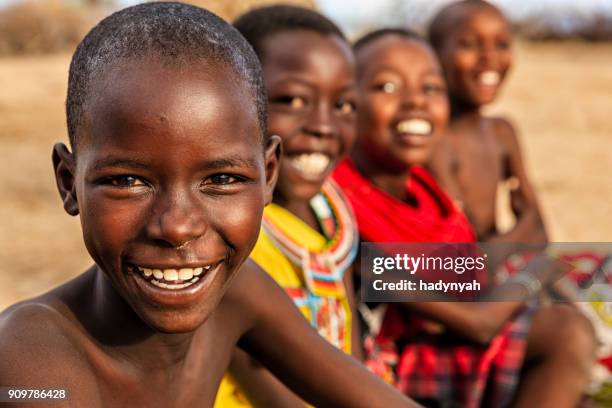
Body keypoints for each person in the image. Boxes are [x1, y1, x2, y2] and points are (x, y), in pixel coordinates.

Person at [0, 4, 420, 407]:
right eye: (127, 181)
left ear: (268, 173)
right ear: (68, 183)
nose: (178, 227)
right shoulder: (29, 365)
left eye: (221, 179)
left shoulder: (239, 290)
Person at [332, 28, 596, 407]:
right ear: (345, 105)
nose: (415, 103)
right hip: (390, 369)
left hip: (440, 346)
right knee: (567, 334)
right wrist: (537, 271)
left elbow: (474, 271)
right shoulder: (344, 214)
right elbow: (478, 323)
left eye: (431, 88)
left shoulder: (429, 196)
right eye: (387, 87)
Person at [214, 6, 360, 407]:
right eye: (293, 99)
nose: (324, 125)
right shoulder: (228, 238)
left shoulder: (333, 213)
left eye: (344, 105)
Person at [427, 0, 547, 244]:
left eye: (502, 44)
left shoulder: (502, 131)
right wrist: (523, 231)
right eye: (470, 44)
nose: (490, 57)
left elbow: (541, 231)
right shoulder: (436, 142)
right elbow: (465, 248)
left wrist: (525, 231)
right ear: (432, 55)